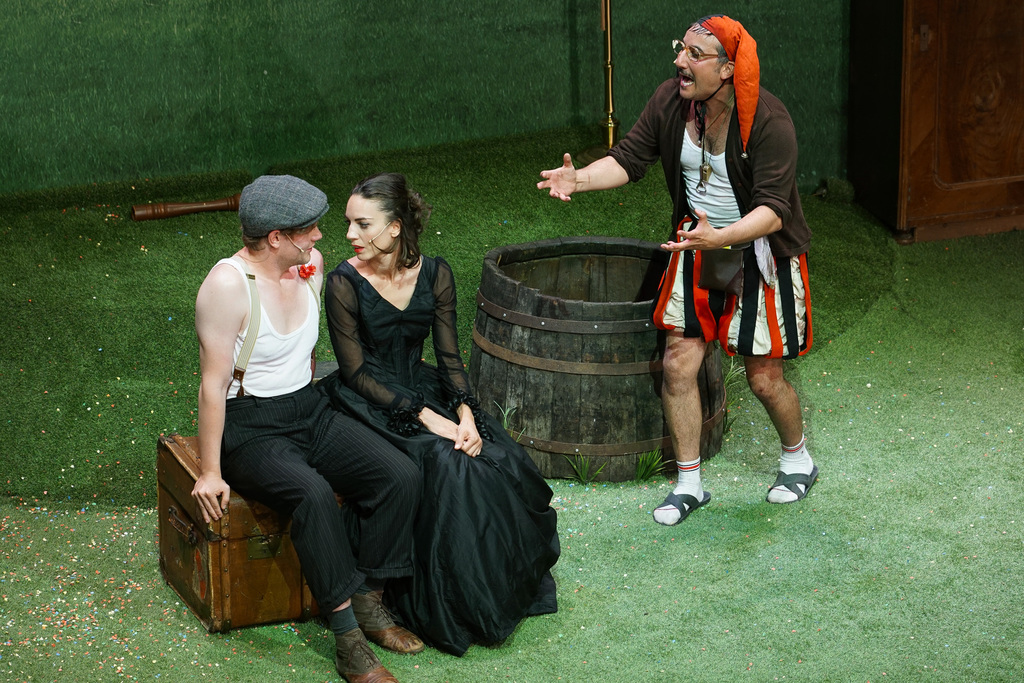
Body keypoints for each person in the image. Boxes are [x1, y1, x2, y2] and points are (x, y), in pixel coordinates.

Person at [537, 15, 818, 526]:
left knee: (764, 378)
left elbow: (774, 211)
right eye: (680, 48)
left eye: (694, 54)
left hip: (759, 250)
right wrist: (580, 180)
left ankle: (797, 458)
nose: (679, 61)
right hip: (696, 244)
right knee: (678, 365)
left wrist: (722, 237)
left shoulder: (769, 120)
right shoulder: (671, 99)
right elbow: (629, 158)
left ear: (728, 69)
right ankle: (689, 483)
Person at [191, 174, 424, 683]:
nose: (320, 236)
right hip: (251, 425)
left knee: (399, 475)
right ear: (276, 237)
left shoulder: (309, 265)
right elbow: (212, 386)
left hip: (309, 407)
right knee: (313, 495)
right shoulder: (227, 286)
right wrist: (210, 471)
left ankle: (368, 599)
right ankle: (349, 642)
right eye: (309, 229)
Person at [318, 172, 559, 656]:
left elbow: (449, 358)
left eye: (362, 224)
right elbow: (355, 373)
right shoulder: (343, 283)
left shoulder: (436, 274)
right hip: (370, 401)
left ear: (395, 228)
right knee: (449, 464)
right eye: (349, 223)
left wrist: (466, 413)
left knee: (500, 458)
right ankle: (404, 600)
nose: (349, 234)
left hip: (424, 387)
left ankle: (492, 593)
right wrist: (428, 418)